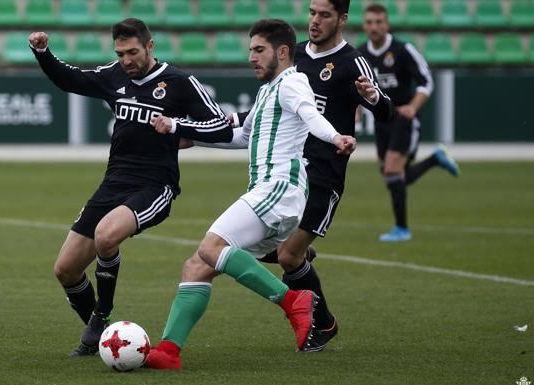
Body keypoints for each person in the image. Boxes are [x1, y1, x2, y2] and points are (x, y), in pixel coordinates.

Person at [143, 19, 357, 369]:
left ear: (283, 52)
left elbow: (310, 114)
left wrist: (335, 138)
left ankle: (294, 302)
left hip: (279, 188)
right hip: (272, 194)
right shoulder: (268, 91)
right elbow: (242, 137)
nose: (251, 57)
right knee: (197, 267)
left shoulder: (292, 83)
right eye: (250, 50)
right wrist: (185, 133)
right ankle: (168, 351)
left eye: (259, 50)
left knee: (210, 247)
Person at [28, 18, 233, 356]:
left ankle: (101, 314)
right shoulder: (115, 75)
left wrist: (176, 124)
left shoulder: (179, 82)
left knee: (106, 236)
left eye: (133, 52)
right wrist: (42, 52)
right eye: (120, 53)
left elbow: (220, 127)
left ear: (150, 47)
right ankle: (108, 338)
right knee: (65, 269)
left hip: (155, 186)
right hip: (113, 183)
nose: (126, 60)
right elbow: (71, 79)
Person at [231, 0, 393, 349]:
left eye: (324, 15)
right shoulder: (295, 56)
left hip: (324, 173)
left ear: (342, 19)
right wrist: (220, 125)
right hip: (288, 172)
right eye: (312, 13)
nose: (315, 21)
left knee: (288, 255)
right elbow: (269, 103)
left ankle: (324, 323)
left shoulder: (352, 62)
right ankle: (305, 271)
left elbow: (386, 111)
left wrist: (374, 98)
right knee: (262, 248)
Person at [358, 3, 460, 242]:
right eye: (370, 22)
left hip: (403, 119)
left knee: (393, 170)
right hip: (382, 121)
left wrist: (413, 107)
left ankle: (402, 229)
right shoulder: (360, 54)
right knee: (392, 177)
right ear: (364, 25)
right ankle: (436, 159)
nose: (374, 27)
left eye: (378, 22)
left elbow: (426, 82)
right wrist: (358, 109)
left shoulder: (403, 50)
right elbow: (357, 88)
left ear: (387, 24)